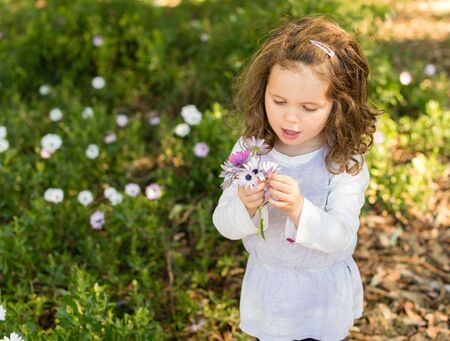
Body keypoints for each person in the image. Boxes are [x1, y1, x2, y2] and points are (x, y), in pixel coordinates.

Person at [212, 15, 382, 341]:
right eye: (278, 101)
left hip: (322, 296)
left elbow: (342, 239)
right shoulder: (251, 151)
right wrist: (245, 205)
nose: (290, 117)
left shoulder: (343, 159)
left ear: (338, 106)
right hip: (271, 290)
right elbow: (224, 223)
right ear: (264, 92)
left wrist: (300, 209)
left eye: (309, 107)